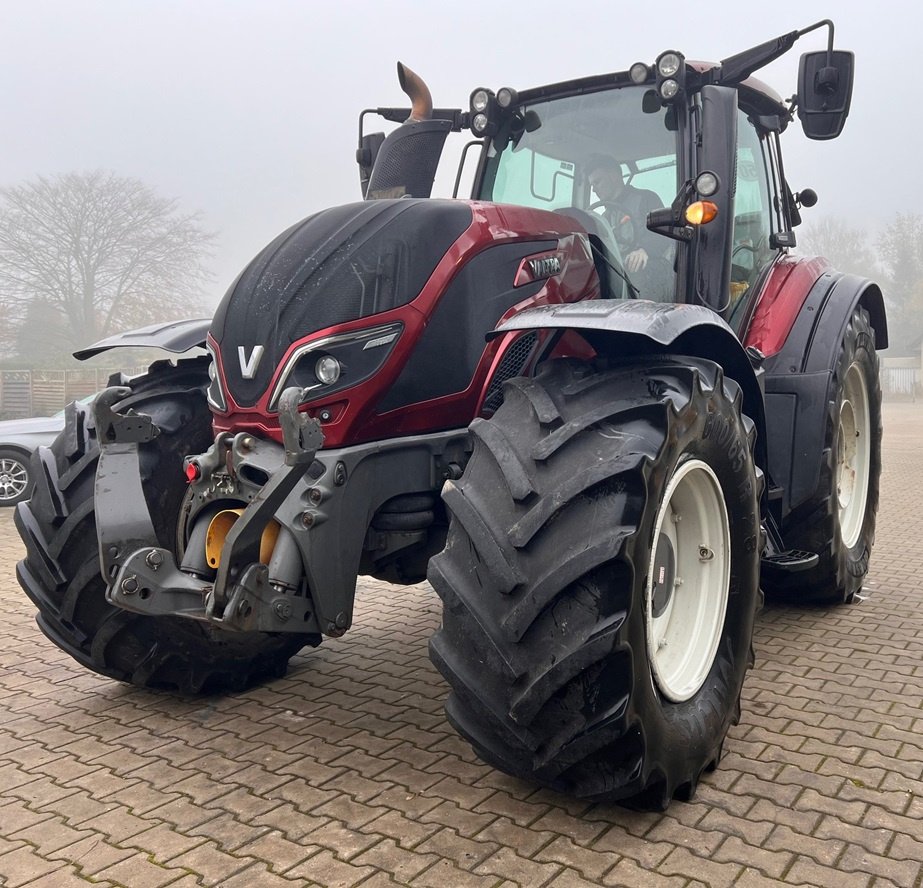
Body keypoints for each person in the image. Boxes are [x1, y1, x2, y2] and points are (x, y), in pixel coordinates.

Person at [587, 155, 664, 276]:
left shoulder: (646, 199)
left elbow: (664, 233)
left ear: (614, 176)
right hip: (619, 276)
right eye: (592, 185)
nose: (594, 190)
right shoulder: (605, 218)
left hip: (648, 270)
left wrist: (645, 250)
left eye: (597, 182)